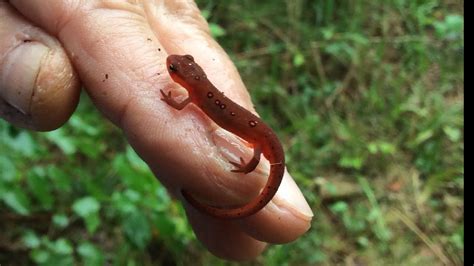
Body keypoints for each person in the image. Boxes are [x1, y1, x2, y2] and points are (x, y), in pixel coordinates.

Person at [0, 1, 313, 260]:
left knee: (253, 156)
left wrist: (251, 162)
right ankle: (245, 179)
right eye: (177, 66)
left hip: (261, 139)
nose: (172, 67)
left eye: (175, 69)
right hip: (257, 135)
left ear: (189, 78)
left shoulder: (197, 95)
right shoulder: (199, 93)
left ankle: (249, 173)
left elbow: (179, 107)